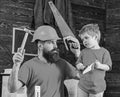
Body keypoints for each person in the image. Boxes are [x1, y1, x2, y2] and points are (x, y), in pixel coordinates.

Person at [8, 25, 79, 97]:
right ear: (40, 45)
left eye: (55, 42)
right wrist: (16, 65)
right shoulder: (29, 66)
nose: (55, 46)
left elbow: (84, 77)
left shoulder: (62, 64)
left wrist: (77, 54)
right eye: (51, 42)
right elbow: (12, 89)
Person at [74, 23, 112, 97]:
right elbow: (78, 64)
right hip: (83, 86)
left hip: (97, 88)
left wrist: (100, 66)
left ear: (95, 37)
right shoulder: (83, 52)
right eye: (82, 39)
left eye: (86, 38)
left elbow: (108, 67)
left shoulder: (104, 52)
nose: (84, 41)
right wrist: (80, 66)